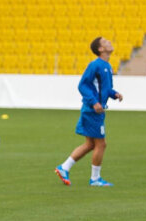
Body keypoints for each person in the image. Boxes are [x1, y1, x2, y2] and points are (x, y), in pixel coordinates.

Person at [55, 37, 123, 187]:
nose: (109, 42)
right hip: (92, 110)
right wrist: (94, 103)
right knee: (101, 144)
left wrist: (114, 94)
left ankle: (64, 167)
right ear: (100, 49)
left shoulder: (107, 66)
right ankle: (95, 179)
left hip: (95, 109)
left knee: (90, 144)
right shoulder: (95, 65)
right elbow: (83, 85)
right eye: (105, 41)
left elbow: (105, 88)